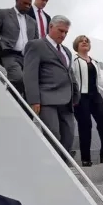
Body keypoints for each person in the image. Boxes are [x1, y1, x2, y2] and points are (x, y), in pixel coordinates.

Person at [23, 15, 80, 160]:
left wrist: (76, 94)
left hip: (67, 101)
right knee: (53, 137)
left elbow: (70, 73)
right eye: (61, 31)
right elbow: (30, 75)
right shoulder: (36, 45)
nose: (63, 35)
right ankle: (53, 168)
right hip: (47, 100)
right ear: (50, 27)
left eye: (66, 32)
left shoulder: (67, 51)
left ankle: (63, 167)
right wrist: (34, 100)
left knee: (68, 138)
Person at [0, 0, 39, 111]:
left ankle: (25, 112)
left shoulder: (32, 22)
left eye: (30, 4)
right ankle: (10, 107)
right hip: (9, 54)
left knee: (29, 85)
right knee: (18, 78)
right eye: (25, 3)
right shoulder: (3, 13)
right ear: (17, 0)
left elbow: (36, 42)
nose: (28, 6)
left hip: (27, 58)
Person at [71, 35, 103, 167]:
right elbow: (72, 79)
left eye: (86, 41)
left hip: (95, 96)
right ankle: (85, 158)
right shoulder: (74, 61)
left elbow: (99, 80)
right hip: (81, 97)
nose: (84, 43)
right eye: (81, 41)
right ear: (77, 45)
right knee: (85, 126)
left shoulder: (94, 62)